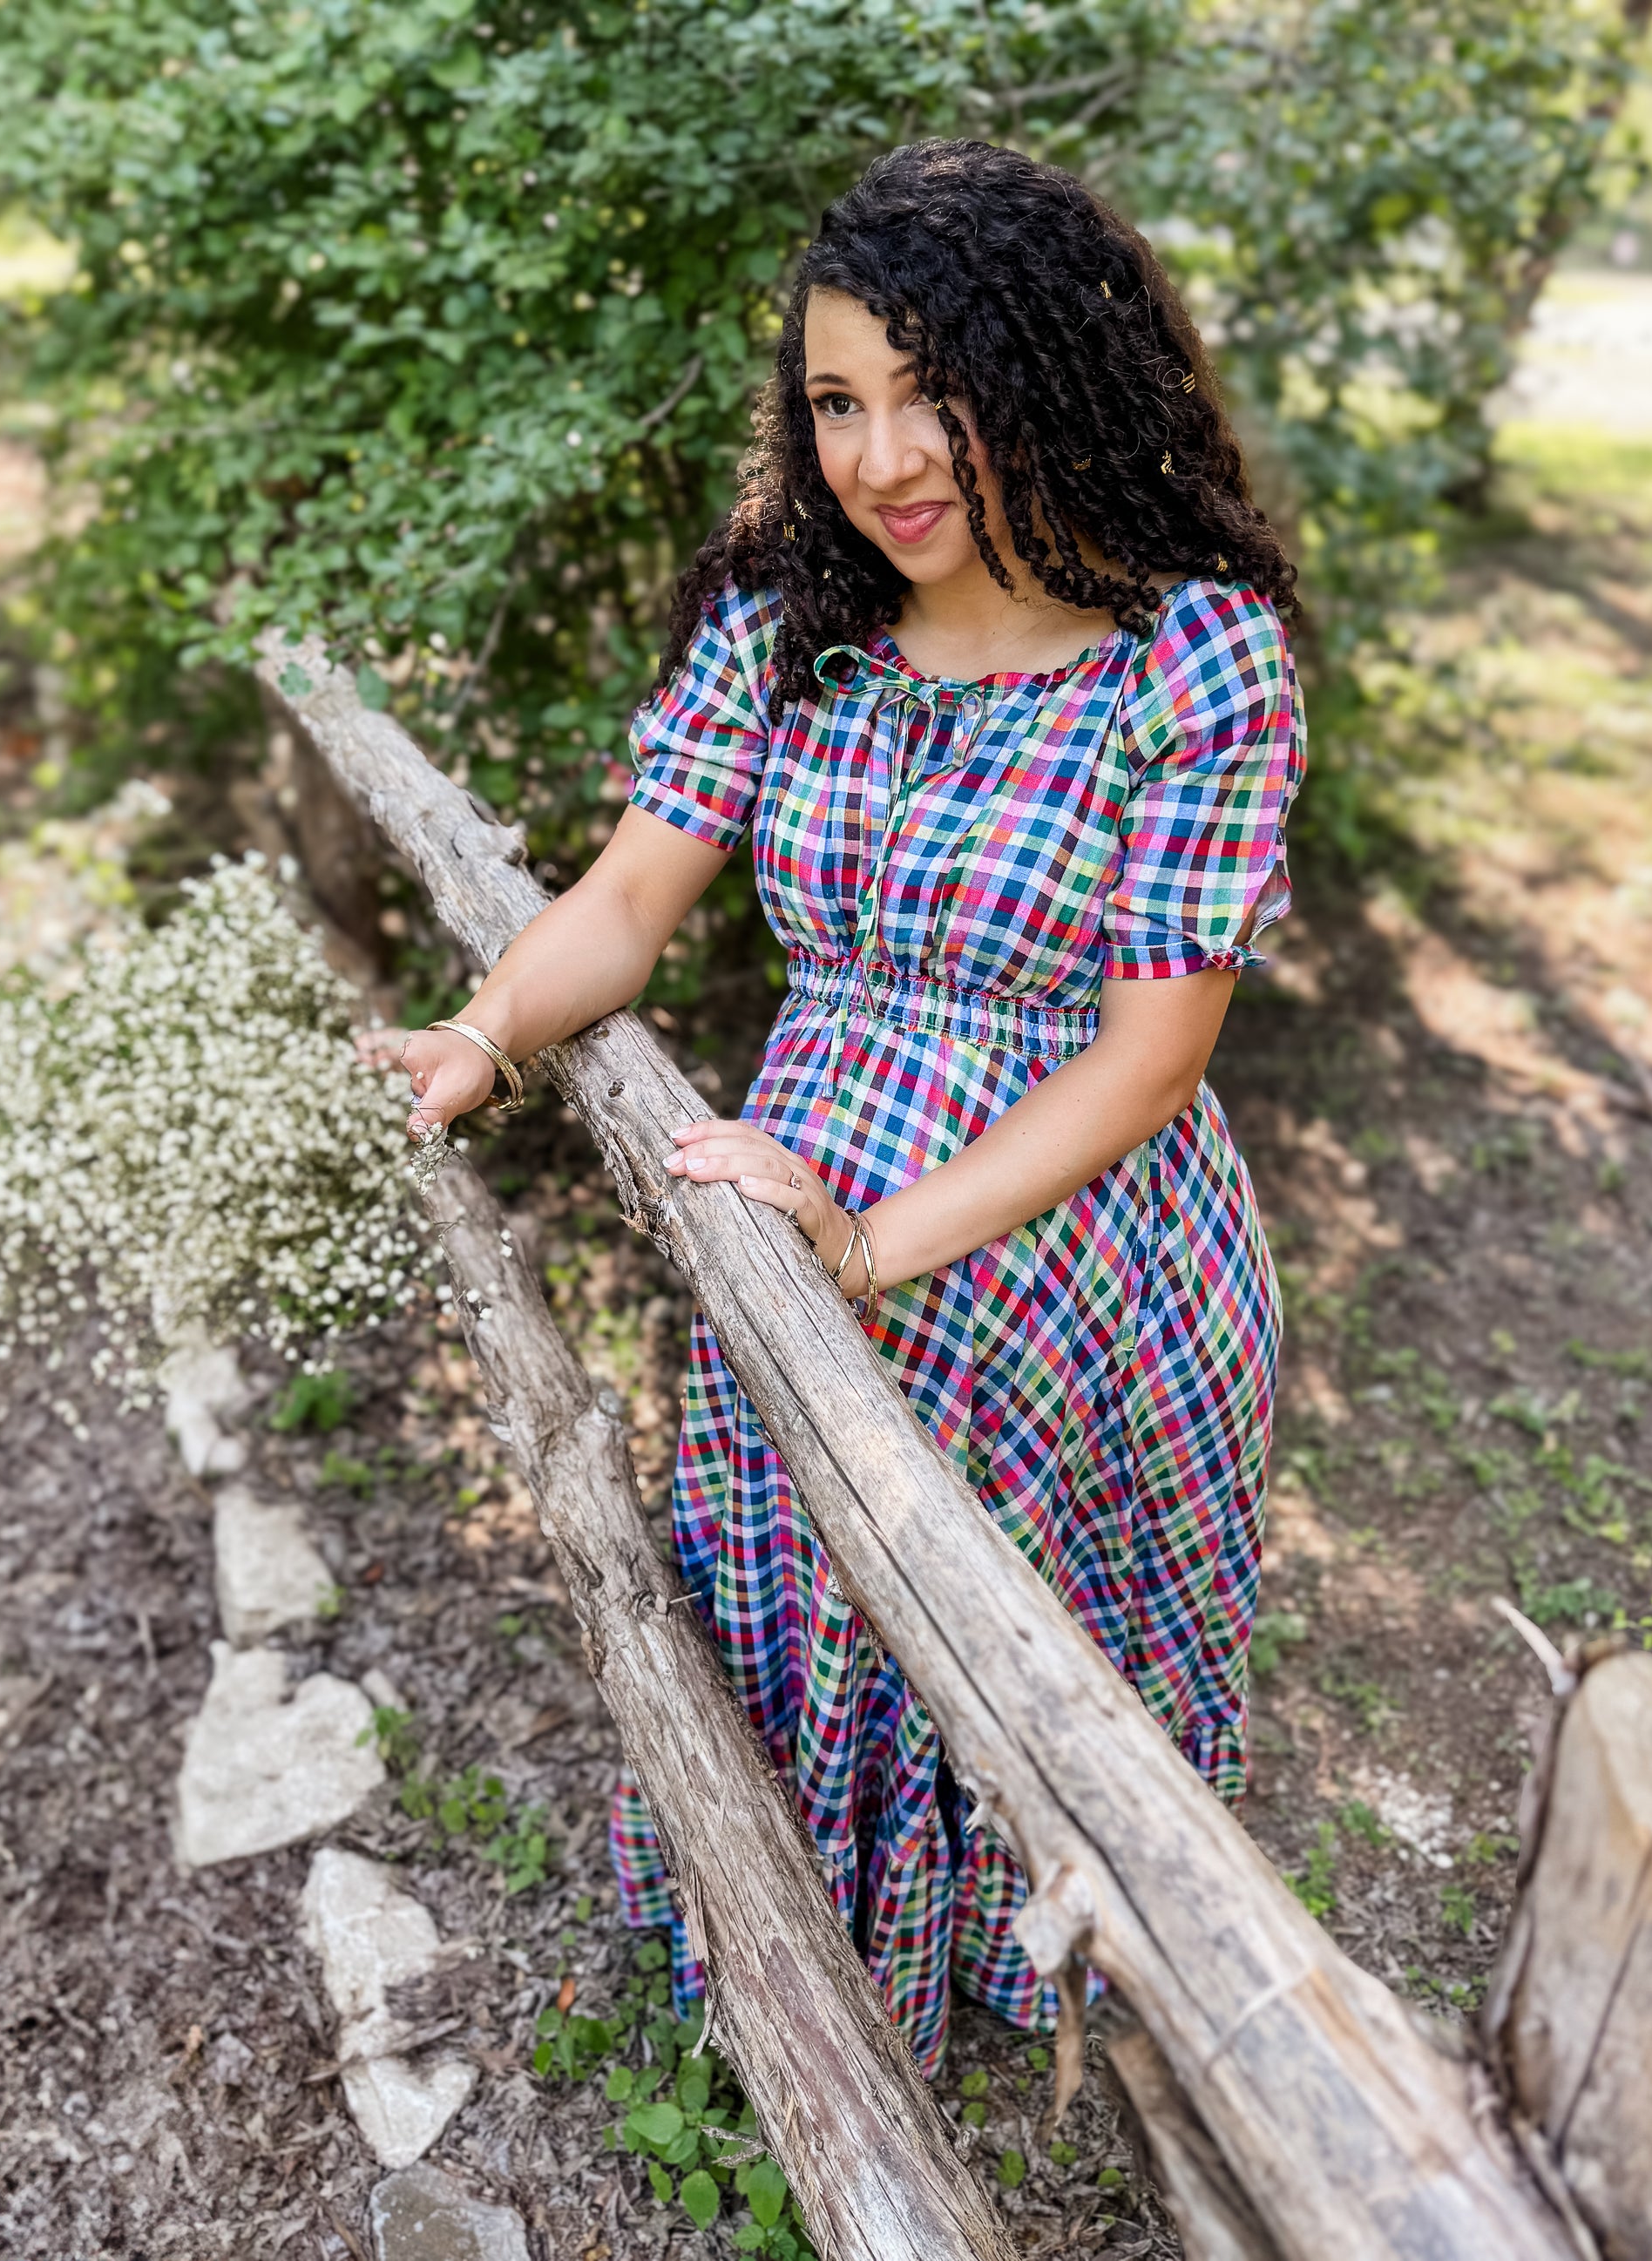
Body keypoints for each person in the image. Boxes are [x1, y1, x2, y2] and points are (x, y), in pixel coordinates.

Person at [401, 139, 1304, 2078]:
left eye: (932, 395)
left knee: (989, 1603)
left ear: (1058, 381)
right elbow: (633, 897)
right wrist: (482, 1036)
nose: (879, 457)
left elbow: (1152, 1058)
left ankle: (1027, 1939)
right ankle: (801, 1944)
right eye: (835, 401)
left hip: (1066, 1222)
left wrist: (871, 1241)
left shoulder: (1192, 656)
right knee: (798, 1561)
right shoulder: (788, 617)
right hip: (795, 1163)